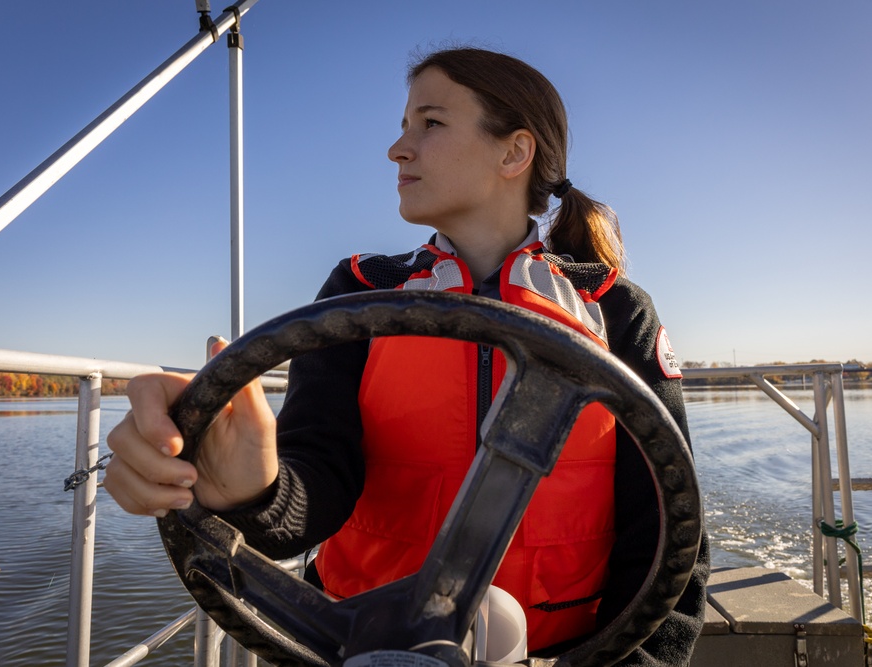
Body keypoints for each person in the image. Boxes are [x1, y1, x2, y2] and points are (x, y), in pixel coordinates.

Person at [105, 47, 709, 665]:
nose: (398, 149)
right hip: (360, 643)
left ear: (513, 152)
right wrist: (252, 493)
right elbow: (316, 483)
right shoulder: (359, 291)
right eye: (402, 127)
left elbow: (668, 532)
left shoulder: (614, 308)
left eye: (430, 123)